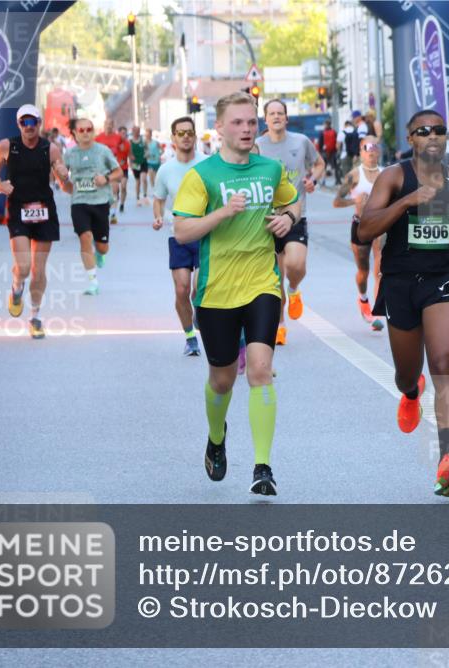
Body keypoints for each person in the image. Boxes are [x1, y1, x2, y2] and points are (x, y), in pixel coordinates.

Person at [358, 109, 449, 497]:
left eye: (438, 130)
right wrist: (406, 203)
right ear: (410, 138)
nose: (432, 136)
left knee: (445, 362)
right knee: (408, 373)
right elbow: (366, 228)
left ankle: (446, 460)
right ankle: (410, 393)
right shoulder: (395, 177)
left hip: (444, 276)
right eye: (423, 131)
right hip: (401, 282)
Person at [172, 91, 302, 497]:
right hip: (216, 292)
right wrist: (222, 213)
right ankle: (216, 436)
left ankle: (263, 467)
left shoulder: (270, 168)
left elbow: (294, 202)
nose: (247, 129)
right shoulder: (203, 176)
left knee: (261, 370)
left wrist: (286, 218)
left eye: (251, 122)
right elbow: (182, 231)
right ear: (220, 128)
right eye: (238, 123)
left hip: (263, 284)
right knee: (223, 380)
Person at [0, 104, 70, 339]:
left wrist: (64, 177)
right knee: (22, 267)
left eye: (33, 122)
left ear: (39, 123)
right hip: (17, 209)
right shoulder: (7, 146)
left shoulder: (50, 149)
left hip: (44, 210)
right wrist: (0, 186)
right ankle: (16, 288)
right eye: (24, 122)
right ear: (18, 124)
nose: (28, 127)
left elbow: (66, 185)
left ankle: (35, 317)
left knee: (38, 270)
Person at [255, 99, 325, 346]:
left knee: (295, 265)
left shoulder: (301, 142)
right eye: (271, 113)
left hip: (295, 214)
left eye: (280, 113)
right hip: (267, 218)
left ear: (286, 118)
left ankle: (294, 289)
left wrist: (312, 180)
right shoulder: (257, 146)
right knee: (275, 277)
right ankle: (280, 324)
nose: (276, 117)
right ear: (265, 119)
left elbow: (319, 164)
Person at [153, 115, 207, 357]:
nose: (186, 137)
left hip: (206, 233)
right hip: (179, 236)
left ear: (195, 137)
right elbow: (159, 199)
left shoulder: (208, 164)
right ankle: (189, 337)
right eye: (181, 133)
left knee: (198, 289)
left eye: (189, 132)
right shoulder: (165, 170)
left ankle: (198, 309)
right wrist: (157, 217)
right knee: (182, 289)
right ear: (173, 138)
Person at [60, 117, 123, 296]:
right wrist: (64, 180)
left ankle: (100, 254)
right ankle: (93, 281)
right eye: (82, 130)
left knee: (102, 246)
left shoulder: (103, 151)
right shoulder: (70, 154)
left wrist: (106, 179)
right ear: (75, 134)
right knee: (85, 237)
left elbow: (118, 172)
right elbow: (61, 175)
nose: (86, 133)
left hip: (101, 201)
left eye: (89, 129)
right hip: (79, 202)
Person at [333, 138, 386, 331]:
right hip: (360, 225)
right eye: (367, 147)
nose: (371, 151)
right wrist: (355, 202)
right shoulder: (354, 175)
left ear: (378, 151)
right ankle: (363, 300)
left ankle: (377, 313)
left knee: (380, 270)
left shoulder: (386, 174)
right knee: (363, 271)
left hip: (381, 224)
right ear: (361, 152)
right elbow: (336, 201)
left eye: (374, 147)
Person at [95, 119, 129, 223]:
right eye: (107, 124)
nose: (109, 126)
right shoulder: (98, 138)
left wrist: (122, 161)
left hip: (113, 168)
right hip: (100, 168)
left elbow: (123, 149)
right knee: (101, 191)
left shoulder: (118, 137)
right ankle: (101, 212)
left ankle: (113, 214)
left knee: (114, 190)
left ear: (113, 126)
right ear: (104, 125)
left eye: (111, 124)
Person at [129, 126, 148, 204]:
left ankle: (145, 195)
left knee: (143, 178)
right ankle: (137, 197)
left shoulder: (143, 140)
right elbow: (128, 152)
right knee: (138, 181)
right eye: (136, 131)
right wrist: (130, 160)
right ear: (133, 131)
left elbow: (147, 149)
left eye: (138, 131)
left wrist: (146, 154)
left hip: (143, 162)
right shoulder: (130, 141)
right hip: (135, 164)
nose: (137, 132)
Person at [321, 120, 339, 184]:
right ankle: (336, 180)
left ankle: (323, 181)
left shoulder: (322, 132)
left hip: (325, 152)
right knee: (334, 166)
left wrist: (320, 151)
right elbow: (337, 141)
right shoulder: (334, 132)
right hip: (333, 151)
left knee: (324, 166)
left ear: (325, 125)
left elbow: (320, 143)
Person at [145, 128, 162, 192]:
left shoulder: (156, 142)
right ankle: (153, 190)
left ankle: (157, 189)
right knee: (151, 177)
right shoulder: (144, 143)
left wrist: (158, 155)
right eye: (146, 134)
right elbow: (143, 152)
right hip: (149, 162)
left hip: (156, 162)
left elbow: (162, 150)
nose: (147, 135)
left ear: (151, 134)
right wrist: (146, 155)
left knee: (156, 178)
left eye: (148, 134)